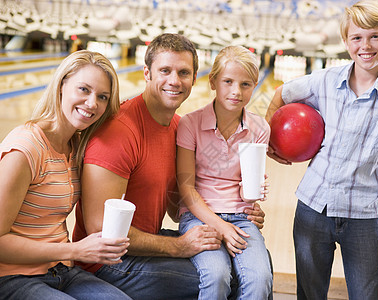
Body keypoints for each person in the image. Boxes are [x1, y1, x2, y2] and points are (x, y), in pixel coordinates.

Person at [265, 1, 378, 299]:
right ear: (346, 41)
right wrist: (271, 143)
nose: (366, 45)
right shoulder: (325, 80)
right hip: (313, 207)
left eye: (375, 36)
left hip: (363, 216)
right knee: (309, 294)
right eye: (357, 38)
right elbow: (279, 93)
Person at [72, 33, 267, 300]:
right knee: (230, 281)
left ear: (195, 79)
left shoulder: (177, 126)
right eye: (165, 70)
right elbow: (100, 227)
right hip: (110, 264)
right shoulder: (119, 132)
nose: (174, 81)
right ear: (147, 73)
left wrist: (238, 212)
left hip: (144, 244)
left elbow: (178, 208)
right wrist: (179, 247)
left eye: (183, 72)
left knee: (256, 261)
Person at [0, 50, 131, 300]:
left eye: (102, 97)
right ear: (61, 86)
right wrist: (77, 250)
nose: (92, 103)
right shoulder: (25, 149)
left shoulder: (76, 146)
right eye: (84, 89)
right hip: (13, 277)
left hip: (61, 269)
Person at [177, 45, 273, 299]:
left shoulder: (260, 127)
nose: (236, 91)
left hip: (241, 217)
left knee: (260, 279)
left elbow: (247, 184)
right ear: (213, 82)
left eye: (246, 84)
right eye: (228, 81)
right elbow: (186, 188)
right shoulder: (190, 123)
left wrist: (254, 192)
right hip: (198, 216)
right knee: (217, 276)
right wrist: (220, 226)